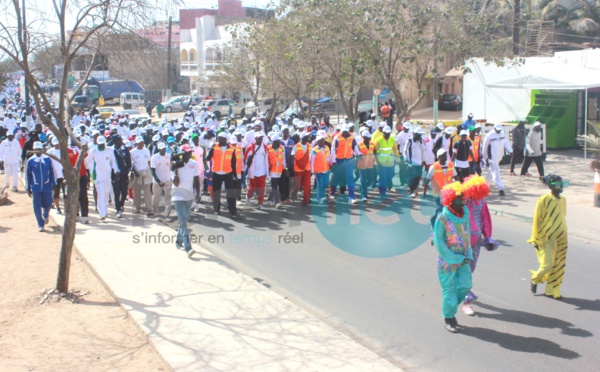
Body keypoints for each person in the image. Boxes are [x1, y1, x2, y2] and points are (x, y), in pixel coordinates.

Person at [433, 181, 473, 333]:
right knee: (449, 290)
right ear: (451, 199)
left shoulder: (465, 212)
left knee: (466, 284)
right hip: (446, 261)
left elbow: (467, 233)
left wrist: (467, 253)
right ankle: (449, 318)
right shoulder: (442, 217)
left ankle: (449, 307)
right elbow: (438, 241)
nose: (463, 200)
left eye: (464, 197)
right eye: (460, 197)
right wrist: (453, 258)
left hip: (463, 258)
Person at [461, 175, 498, 316]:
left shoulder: (481, 201)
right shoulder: (461, 200)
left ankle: (460, 292)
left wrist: (488, 237)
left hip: (475, 242)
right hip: (461, 242)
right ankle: (466, 301)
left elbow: (485, 219)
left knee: (470, 270)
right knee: (464, 272)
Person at [528, 174, 569, 299]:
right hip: (547, 238)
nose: (561, 187)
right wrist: (535, 237)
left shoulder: (563, 200)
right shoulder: (543, 200)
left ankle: (552, 290)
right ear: (551, 187)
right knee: (548, 264)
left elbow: (562, 216)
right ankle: (535, 279)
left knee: (558, 265)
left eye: (563, 184)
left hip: (562, 237)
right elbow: (537, 219)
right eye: (557, 184)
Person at [171, 144, 199, 258]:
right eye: (187, 152)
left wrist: (198, 193)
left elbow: (196, 180)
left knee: (184, 220)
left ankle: (178, 242)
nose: (189, 154)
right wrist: (176, 169)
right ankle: (188, 248)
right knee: (183, 219)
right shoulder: (174, 165)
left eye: (190, 152)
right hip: (178, 195)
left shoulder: (194, 164)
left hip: (189, 194)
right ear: (181, 153)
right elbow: (176, 183)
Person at [86, 136, 119, 220]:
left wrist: (116, 170)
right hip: (97, 176)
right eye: (100, 144)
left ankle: (104, 211)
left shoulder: (109, 150)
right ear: (97, 143)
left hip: (107, 175)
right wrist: (91, 173)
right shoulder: (93, 151)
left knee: (105, 193)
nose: (101, 146)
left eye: (103, 144)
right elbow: (89, 162)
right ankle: (102, 213)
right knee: (100, 193)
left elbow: (113, 161)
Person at [26, 141, 56, 232]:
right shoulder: (30, 161)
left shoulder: (47, 159)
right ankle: (40, 224)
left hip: (47, 187)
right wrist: (28, 187)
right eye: (36, 150)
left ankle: (46, 214)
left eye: (39, 150)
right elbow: (28, 175)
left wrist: (53, 183)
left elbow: (52, 172)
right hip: (36, 187)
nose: (38, 152)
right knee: (36, 206)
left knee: (48, 203)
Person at [206, 132, 238, 216]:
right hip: (216, 173)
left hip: (228, 173)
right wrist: (211, 149)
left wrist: (235, 174)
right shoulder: (215, 147)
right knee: (216, 193)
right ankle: (216, 209)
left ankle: (232, 210)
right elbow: (208, 158)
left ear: (225, 139)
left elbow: (233, 162)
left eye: (220, 138)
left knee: (230, 192)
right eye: (218, 138)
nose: (218, 140)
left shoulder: (231, 148)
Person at [330, 125, 360, 204]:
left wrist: (358, 153)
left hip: (349, 160)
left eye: (346, 132)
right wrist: (333, 160)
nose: (345, 134)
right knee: (336, 177)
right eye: (344, 132)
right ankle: (332, 193)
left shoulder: (352, 137)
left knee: (350, 178)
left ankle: (351, 197)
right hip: (339, 160)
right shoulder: (337, 137)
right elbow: (333, 149)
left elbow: (355, 147)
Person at [482, 123, 512, 196]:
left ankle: (485, 186)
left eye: (499, 130)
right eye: (497, 130)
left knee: (491, 170)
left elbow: (506, 143)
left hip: (499, 156)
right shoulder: (489, 135)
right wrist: (483, 158)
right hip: (492, 157)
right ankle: (500, 188)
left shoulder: (502, 134)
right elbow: (485, 147)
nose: (498, 131)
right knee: (496, 171)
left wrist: (510, 150)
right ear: (494, 128)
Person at [244, 132, 269, 210]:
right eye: (258, 138)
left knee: (261, 188)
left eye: (261, 138)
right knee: (253, 187)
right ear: (255, 139)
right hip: (253, 172)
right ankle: (248, 197)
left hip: (262, 172)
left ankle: (260, 203)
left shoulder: (265, 147)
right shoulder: (249, 148)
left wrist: (267, 172)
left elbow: (266, 160)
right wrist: (245, 170)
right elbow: (245, 159)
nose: (260, 139)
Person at [130, 137, 154, 216]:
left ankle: (149, 209)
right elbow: (131, 164)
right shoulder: (132, 152)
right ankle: (137, 207)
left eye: (142, 143)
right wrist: (134, 171)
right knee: (137, 191)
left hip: (146, 171)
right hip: (137, 172)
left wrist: (150, 170)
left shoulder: (146, 150)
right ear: (136, 143)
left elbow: (149, 161)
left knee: (147, 191)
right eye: (139, 143)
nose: (141, 144)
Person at [112, 135, 131, 219]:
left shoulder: (125, 149)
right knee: (116, 192)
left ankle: (121, 204)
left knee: (124, 192)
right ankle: (118, 210)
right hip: (115, 175)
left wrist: (128, 169)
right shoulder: (111, 150)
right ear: (115, 141)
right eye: (119, 140)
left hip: (124, 174)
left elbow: (129, 160)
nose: (121, 142)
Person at [403, 127, 426, 198]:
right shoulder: (409, 141)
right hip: (411, 163)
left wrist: (424, 160)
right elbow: (404, 151)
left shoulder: (421, 141)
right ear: (414, 134)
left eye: (420, 135)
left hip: (419, 163)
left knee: (418, 177)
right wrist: (406, 159)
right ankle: (412, 191)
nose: (419, 136)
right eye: (417, 135)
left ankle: (415, 189)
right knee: (412, 178)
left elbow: (424, 150)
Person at [150, 143, 172, 217]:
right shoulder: (154, 157)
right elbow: (152, 171)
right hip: (157, 181)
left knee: (168, 197)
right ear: (159, 149)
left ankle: (167, 214)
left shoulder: (168, 156)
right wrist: (159, 181)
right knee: (156, 197)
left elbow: (170, 167)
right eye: (162, 149)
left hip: (167, 179)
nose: (164, 150)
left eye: (164, 148)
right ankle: (155, 211)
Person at [291, 132, 312, 206]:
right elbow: (292, 157)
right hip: (298, 169)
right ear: (303, 138)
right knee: (298, 186)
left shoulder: (310, 145)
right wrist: (289, 168)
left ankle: (305, 200)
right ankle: (293, 193)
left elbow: (311, 158)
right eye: (307, 136)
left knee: (307, 185)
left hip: (307, 169)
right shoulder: (296, 146)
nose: (308, 137)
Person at [311, 132, 333, 203]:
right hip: (318, 170)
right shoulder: (314, 150)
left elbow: (329, 157)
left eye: (323, 140)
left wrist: (331, 163)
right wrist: (312, 170)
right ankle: (319, 197)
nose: (322, 141)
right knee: (320, 183)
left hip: (326, 169)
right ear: (317, 141)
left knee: (326, 183)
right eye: (320, 140)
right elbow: (311, 161)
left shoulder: (326, 147)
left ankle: (321, 194)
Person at [46, 137, 64, 214]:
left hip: (64, 175)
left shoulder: (64, 151)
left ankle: (67, 208)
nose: (57, 145)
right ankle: (58, 207)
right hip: (55, 175)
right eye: (56, 144)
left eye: (58, 144)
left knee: (65, 193)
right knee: (56, 192)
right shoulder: (50, 152)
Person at [357, 130, 376, 201]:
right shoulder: (359, 145)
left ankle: (362, 188)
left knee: (371, 180)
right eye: (368, 137)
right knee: (363, 180)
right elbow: (356, 156)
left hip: (370, 164)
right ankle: (364, 195)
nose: (369, 139)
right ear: (364, 137)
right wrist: (356, 167)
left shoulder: (372, 144)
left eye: (369, 137)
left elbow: (375, 153)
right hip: (362, 165)